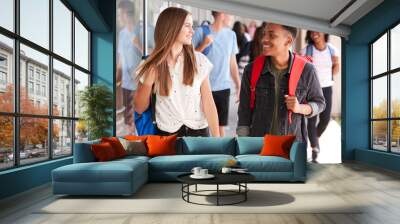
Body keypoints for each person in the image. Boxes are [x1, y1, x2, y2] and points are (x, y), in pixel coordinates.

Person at [134, 7, 220, 137]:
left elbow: (209, 102)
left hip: (199, 135)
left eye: (192, 26)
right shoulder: (150, 64)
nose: (192, 31)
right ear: (172, 28)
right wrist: (147, 83)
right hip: (166, 137)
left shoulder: (199, 60)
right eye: (187, 26)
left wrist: (218, 140)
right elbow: (139, 108)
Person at [237, 23, 326, 144]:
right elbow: (244, 110)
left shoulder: (307, 70)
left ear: (288, 41)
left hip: (292, 148)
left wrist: (300, 108)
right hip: (258, 147)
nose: (264, 39)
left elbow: (320, 103)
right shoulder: (251, 70)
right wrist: (243, 144)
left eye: (271, 36)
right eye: (264, 34)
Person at [192, 11, 241, 137]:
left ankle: (222, 153)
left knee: (220, 128)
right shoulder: (201, 32)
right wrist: (203, 45)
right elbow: (189, 58)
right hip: (203, 88)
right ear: (222, 13)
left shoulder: (231, 35)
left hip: (223, 88)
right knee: (205, 126)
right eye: (230, 14)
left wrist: (238, 84)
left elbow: (232, 63)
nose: (232, 17)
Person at [301, 31, 340, 162]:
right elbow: (301, 69)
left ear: (324, 32)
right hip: (311, 89)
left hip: (327, 87)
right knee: (312, 119)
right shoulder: (306, 50)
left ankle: (315, 137)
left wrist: (334, 68)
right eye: (311, 31)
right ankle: (314, 148)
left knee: (325, 118)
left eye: (316, 30)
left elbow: (336, 69)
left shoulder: (332, 49)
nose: (314, 33)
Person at [116, 0, 142, 134]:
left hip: (139, 83)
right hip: (126, 84)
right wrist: (115, 81)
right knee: (127, 122)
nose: (119, 18)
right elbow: (120, 61)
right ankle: (132, 146)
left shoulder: (143, 30)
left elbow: (154, 54)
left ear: (126, 14)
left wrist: (138, 44)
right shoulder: (122, 34)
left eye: (120, 14)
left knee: (136, 118)